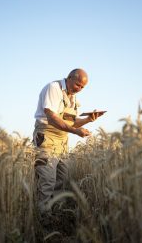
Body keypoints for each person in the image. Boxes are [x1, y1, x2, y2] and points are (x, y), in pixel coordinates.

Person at [32, 68, 104, 216]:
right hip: (46, 137)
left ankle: (57, 216)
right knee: (47, 180)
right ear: (69, 78)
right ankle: (43, 220)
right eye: (78, 85)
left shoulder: (73, 99)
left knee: (62, 179)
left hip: (62, 140)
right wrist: (76, 132)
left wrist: (88, 120)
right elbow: (51, 117)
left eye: (83, 87)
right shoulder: (54, 88)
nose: (80, 89)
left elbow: (70, 123)